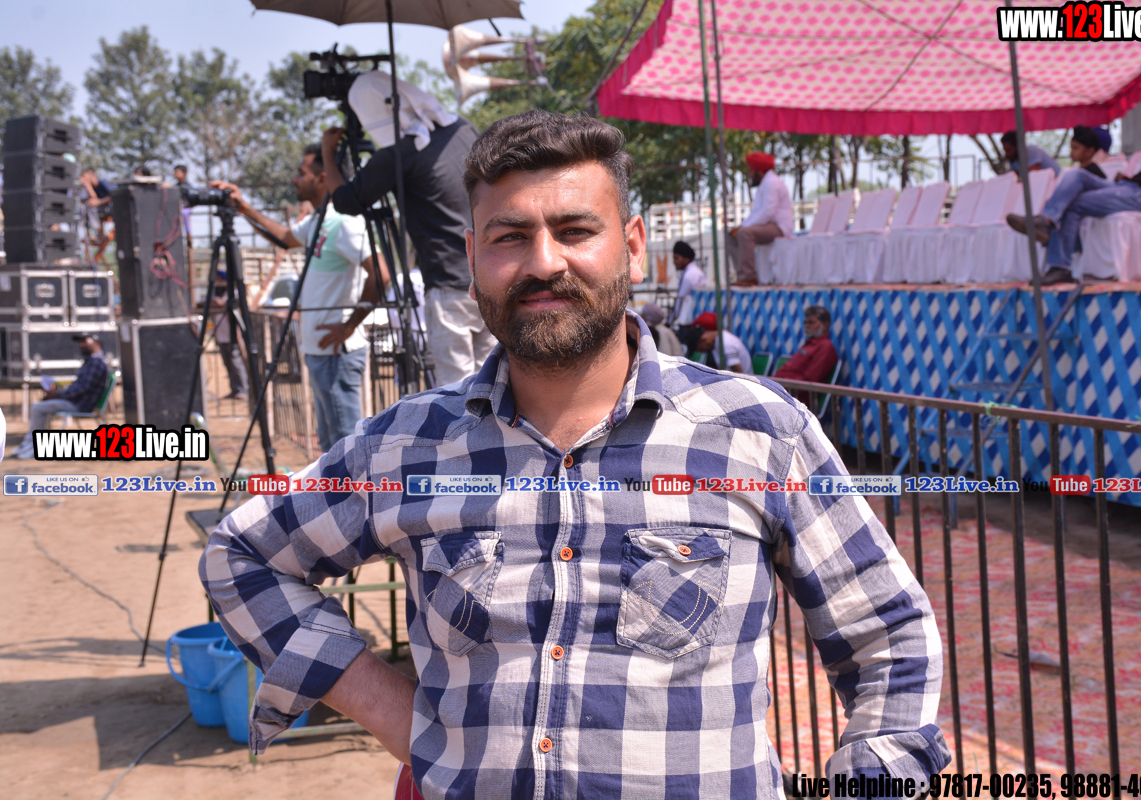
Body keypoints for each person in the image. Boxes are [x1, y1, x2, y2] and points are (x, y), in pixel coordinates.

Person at [201, 110, 949, 798]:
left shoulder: (759, 434)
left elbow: (890, 637)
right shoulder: (407, 446)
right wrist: (398, 715)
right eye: (509, 237)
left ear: (633, 245)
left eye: (574, 230)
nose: (544, 262)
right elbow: (243, 555)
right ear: (471, 258)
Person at [210, 145, 385, 453]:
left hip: (337, 355)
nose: (294, 179)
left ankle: (355, 488)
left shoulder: (344, 222)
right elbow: (285, 237)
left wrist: (349, 326)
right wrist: (244, 208)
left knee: (347, 449)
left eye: (301, 173)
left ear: (322, 178)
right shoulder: (318, 221)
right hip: (321, 353)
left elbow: (380, 275)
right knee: (331, 445)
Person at [322, 78, 495, 387]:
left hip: (447, 284)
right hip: (491, 274)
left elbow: (346, 201)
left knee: (457, 392)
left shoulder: (400, 154)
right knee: (494, 382)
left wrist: (327, 153)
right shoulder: (461, 129)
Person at [1007, 88, 1141, 284]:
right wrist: (1129, 178)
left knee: (1073, 203)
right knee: (1077, 175)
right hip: (1128, 188)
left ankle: (1059, 265)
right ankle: (1047, 220)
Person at [14, 333, 109, 459]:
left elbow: (83, 388)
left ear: (96, 343)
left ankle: (33, 445)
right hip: (75, 401)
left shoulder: (97, 362)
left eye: (85, 341)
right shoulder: (91, 361)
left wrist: (59, 395)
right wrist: (58, 393)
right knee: (41, 405)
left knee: (37, 408)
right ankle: (30, 443)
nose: (81, 345)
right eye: (80, 342)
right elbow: (79, 386)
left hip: (79, 404)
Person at [727, 151, 794, 286]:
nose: (749, 175)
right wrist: (741, 226)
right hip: (768, 225)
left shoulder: (771, 183)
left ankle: (748, 277)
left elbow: (768, 212)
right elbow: (757, 213)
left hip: (780, 227)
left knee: (745, 233)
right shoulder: (766, 183)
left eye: (751, 171)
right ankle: (741, 275)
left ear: (759, 171)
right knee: (731, 235)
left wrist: (744, 228)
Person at [773, 305, 839, 409]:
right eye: (805, 323)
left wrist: (780, 390)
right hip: (780, 392)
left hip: (792, 400)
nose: (806, 326)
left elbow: (810, 380)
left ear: (825, 325)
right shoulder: (809, 345)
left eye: (811, 323)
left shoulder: (825, 347)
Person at [209, 270, 248, 400]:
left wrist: (222, 304)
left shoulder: (233, 292)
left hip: (233, 335)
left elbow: (236, 305)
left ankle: (243, 389)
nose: (218, 282)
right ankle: (234, 389)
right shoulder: (215, 293)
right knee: (227, 364)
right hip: (221, 335)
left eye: (220, 279)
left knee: (236, 363)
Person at [688, 310, 754, 373]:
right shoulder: (717, 341)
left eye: (701, 349)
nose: (702, 352)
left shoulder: (726, 343)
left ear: (704, 339)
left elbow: (739, 374)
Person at [666, 240, 705, 326]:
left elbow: (680, 300)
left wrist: (670, 322)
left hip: (689, 322)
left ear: (686, 259)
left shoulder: (691, 275)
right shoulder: (689, 272)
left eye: (676, 258)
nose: (674, 262)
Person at [79, 168, 115, 260]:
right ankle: (93, 232)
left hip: (112, 208)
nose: (83, 178)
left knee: (92, 207)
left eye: (84, 176)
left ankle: (98, 232)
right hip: (101, 210)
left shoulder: (103, 183)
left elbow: (113, 195)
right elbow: (92, 198)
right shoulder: (90, 187)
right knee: (88, 206)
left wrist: (99, 202)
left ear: (91, 175)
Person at [175, 164, 194, 245]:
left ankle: (190, 245)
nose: (175, 174)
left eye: (178, 172)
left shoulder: (188, 187)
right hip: (177, 209)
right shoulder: (176, 186)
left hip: (186, 209)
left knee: (187, 227)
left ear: (184, 173)